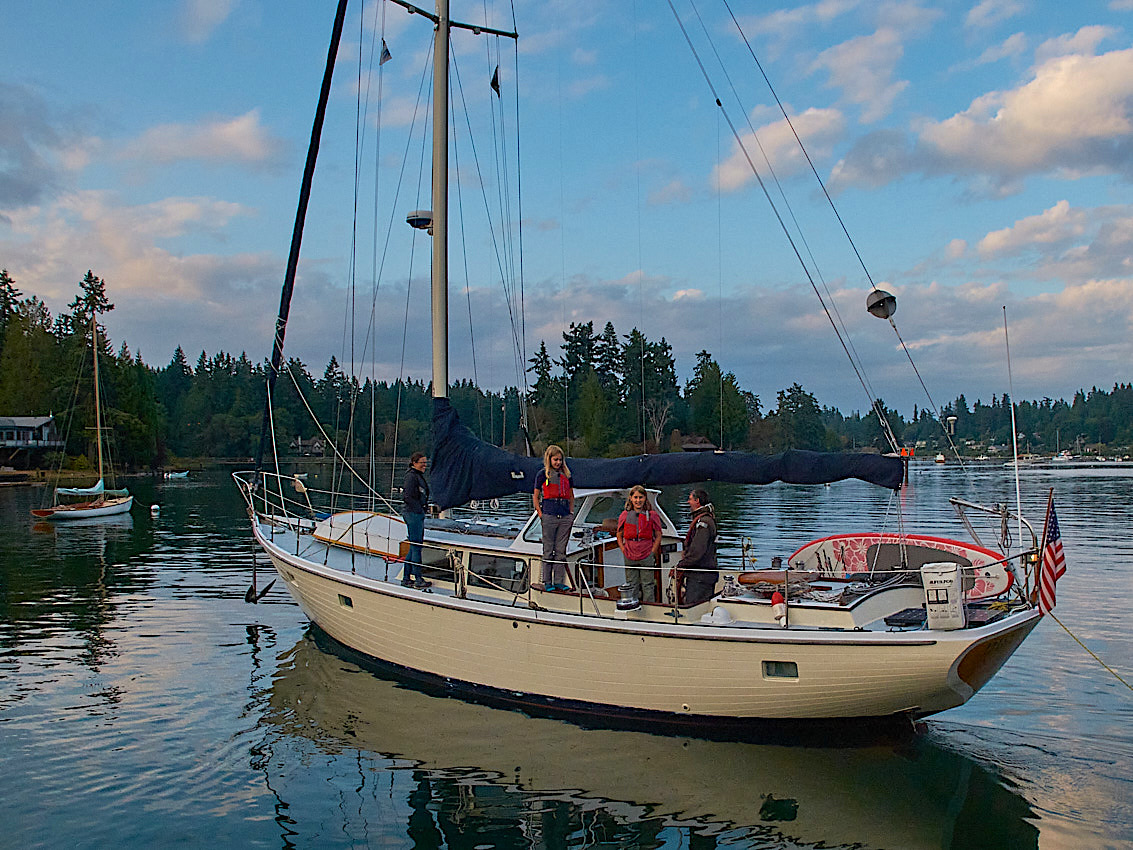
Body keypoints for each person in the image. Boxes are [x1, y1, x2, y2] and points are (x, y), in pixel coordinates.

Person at [533, 445, 574, 591]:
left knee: (561, 550)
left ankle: (558, 581)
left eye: (560, 460)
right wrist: (540, 513)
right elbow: (536, 496)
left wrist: (571, 512)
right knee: (548, 549)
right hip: (549, 515)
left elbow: (571, 495)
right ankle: (547, 581)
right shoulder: (542, 474)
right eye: (555, 459)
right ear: (549, 459)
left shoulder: (567, 475)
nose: (558, 462)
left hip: (564, 516)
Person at [617, 485, 662, 603]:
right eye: (635, 497)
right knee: (632, 584)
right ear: (631, 498)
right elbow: (619, 534)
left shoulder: (652, 515)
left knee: (648, 585)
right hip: (630, 554)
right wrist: (623, 549)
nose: (638, 500)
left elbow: (658, 534)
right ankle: (633, 606)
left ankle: (650, 609)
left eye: (641, 497)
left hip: (646, 553)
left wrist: (652, 551)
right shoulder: (624, 515)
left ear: (645, 498)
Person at [674, 488, 717, 605]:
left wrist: (681, 565)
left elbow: (698, 550)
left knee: (695, 605)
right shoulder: (706, 520)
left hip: (700, 576)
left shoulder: (703, 523)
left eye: (690, 499)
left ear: (697, 501)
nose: (688, 502)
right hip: (702, 575)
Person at [401, 451, 431, 589]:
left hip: (416, 513)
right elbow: (408, 497)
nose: (425, 465)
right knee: (416, 546)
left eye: (425, 462)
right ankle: (418, 579)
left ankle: (406, 578)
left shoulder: (417, 476)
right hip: (413, 514)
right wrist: (419, 509)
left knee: (414, 547)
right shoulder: (411, 477)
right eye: (422, 463)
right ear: (414, 463)